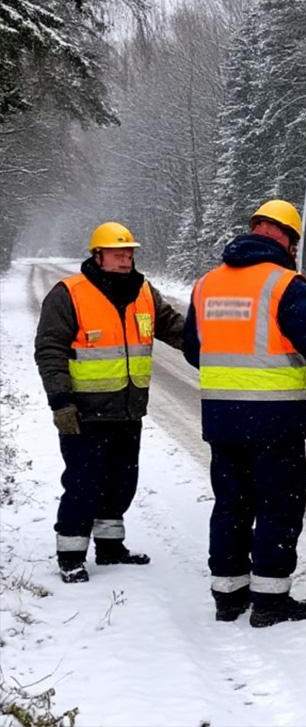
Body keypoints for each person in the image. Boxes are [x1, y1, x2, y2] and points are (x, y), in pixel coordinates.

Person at [183, 199, 306, 627]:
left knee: (231, 504)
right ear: (288, 238)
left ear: (255, 228)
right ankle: (271, 600)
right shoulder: (285, 285)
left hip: (222, 420)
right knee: (278, 505)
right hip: (274, 422)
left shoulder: (207, 285)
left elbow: (192, 349)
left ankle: (228, 595)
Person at [34, 222, 186, 583]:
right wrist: (60, 402)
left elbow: (173, 328)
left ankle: (110, 547)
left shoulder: (145, 291)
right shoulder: (68, 294)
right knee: (84, 483)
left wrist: (210, 345)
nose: (126, 258)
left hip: (128, 410)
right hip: (83, 413)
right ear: (97, 255)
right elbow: (50, 350)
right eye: (118, 253)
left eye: (130, 252)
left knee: (121, 481)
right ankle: (71, 554)